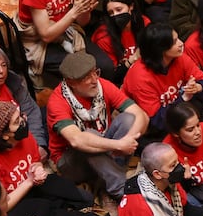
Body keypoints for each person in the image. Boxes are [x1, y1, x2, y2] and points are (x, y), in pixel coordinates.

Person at [0, 99, 92, 216]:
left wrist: (38, 168)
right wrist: (28, 182)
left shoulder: (23, 137)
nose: (23, 120)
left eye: (20, 115)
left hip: (32, 185)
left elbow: (35, 160)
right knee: (49, 212)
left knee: (78, 195)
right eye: (17, 122)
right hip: (8, 205)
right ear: (4, 135)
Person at [45, 50, 147, 199]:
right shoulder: (57, 102)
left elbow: (141, 115)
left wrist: (127, 140)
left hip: (108, 150)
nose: (94, 80)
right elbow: (77, 140)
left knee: (129, 119)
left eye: (95, 72)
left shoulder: (101, 85)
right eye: (87, 77)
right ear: (71, 82)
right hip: (71, 162)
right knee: (88, 136)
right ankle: (122, 190)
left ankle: (107, 179)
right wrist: (118, 145)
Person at [122, 23, 203, 125]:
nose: (181, 43)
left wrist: (198, 87)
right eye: (175, 42)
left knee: (198, 100)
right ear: (160, 48)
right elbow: (156, 121)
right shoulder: (139, 76)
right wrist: (184, 98)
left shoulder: (179, 58)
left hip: (174, 109)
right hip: (144, 127)